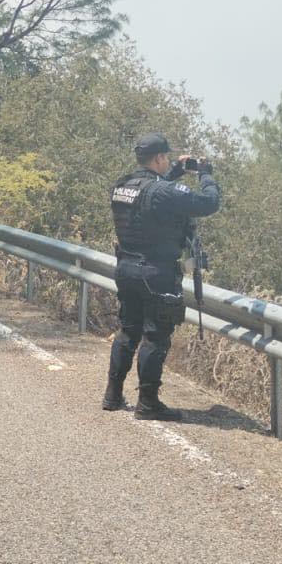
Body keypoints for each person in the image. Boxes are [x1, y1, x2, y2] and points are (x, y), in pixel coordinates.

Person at [104, 132, 221, 419]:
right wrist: (205, 174)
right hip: (156, 273)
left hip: (126, 269)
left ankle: (113, 394)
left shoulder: (123, 185)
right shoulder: (161, 191)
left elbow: (153, 194)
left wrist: (176, 172)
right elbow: (209, 203)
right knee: (155, 337)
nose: (167, 161)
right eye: (166, 158)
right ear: (158, 158)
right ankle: (148, 403)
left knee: (128, 331)